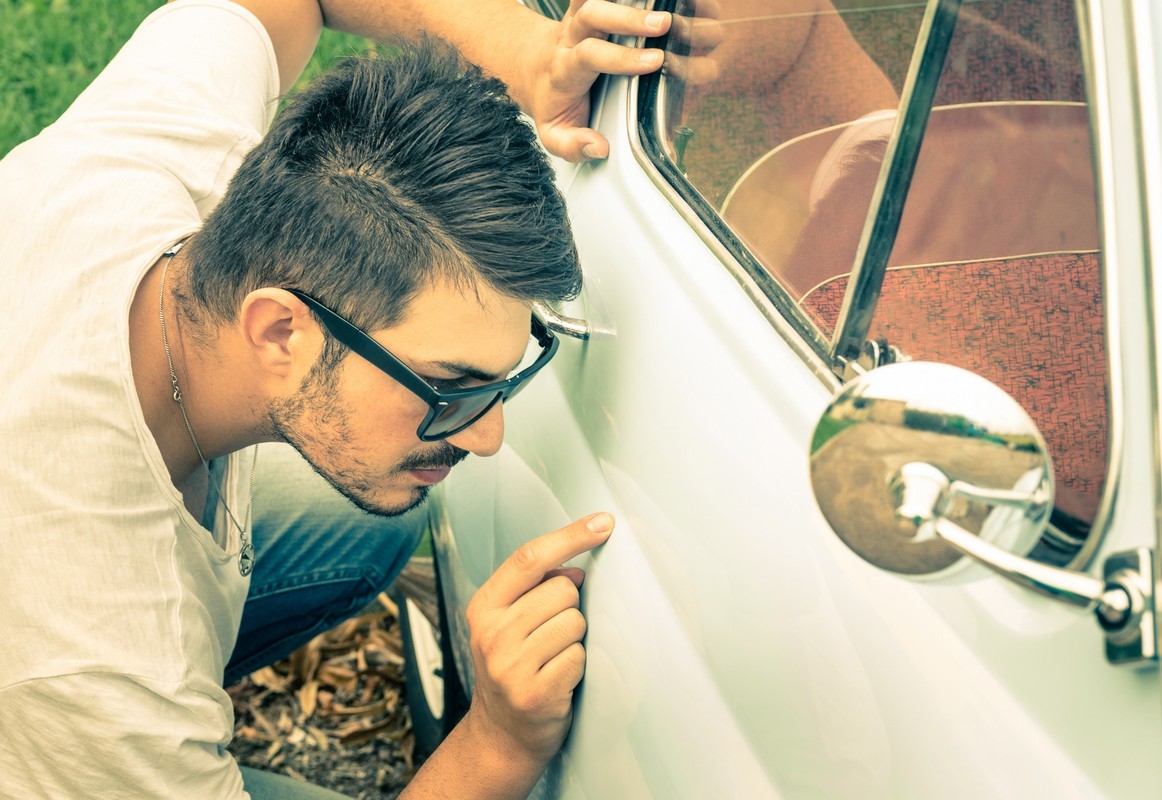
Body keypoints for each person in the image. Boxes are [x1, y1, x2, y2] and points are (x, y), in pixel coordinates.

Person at [0, 0, 671, 797]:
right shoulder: (90, 647)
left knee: (354, 518)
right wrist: (498, 742)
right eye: (449, 387)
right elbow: (90, 641)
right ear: (280, 331)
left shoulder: (153, 158)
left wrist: (529, 53)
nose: (487, 437)